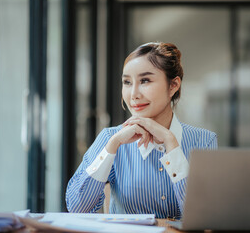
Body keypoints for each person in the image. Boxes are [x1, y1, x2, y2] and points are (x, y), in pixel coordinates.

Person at [66, 42, 218, 219]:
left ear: (173, 85)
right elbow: (77, 208)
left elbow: (205, 217)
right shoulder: (111, 138)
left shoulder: (204, 141)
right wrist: (113, 146)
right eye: (127, 82)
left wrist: (171, 144)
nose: (133, 94)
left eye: (145, 80)